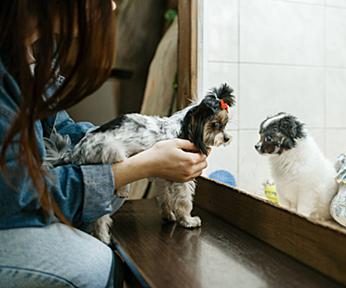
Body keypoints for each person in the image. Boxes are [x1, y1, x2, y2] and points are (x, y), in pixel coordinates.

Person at [0, 1, 208, 287]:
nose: (111, 6)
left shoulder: (32, 54)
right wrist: (138, 167)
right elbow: (16, 196)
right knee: (95, 264)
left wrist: (129, 139)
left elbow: (60, 126)